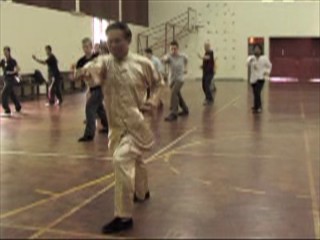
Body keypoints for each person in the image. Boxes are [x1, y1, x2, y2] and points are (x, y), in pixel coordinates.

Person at [79, 22, 162, 234]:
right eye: (110, 41)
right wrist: (84, 72)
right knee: (137, 158)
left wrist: (154, 100)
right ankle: (142, 192)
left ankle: (123, 217)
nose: (114, 45)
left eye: (118, 40)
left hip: (137, 122)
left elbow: (158, 83)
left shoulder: (143, 63)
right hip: (116, 125)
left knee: (122, 159)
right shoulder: (105, 62)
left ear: (128, 40)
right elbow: (93, 69)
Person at [73, 38, 109, 142]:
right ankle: (109, 127)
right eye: (84, 47)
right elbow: (77, 76)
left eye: (88, 46)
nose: (86, 49)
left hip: (100, 86)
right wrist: (81, 74)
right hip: (91, 87)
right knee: (99, 109)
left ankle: (89, 134)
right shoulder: (81, 61)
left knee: (90, 107)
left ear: (91, 46)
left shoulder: (97, 57)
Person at [162, 41, 189, 122]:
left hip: (180, 79)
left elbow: (186, 61)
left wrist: (186, 69)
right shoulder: (169, 56)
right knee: (178, 95)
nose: (173, 50)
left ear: (178, 48)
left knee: (174, 93)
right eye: (172, 49)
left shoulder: (183, 56)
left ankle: (174, 113)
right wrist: (164, 59)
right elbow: (164, 60)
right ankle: (185, 109)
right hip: (172, 80)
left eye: (175, 49)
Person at [247, 44, 272, 114]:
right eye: (255, 49)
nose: (256, 50)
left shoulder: (264, 58)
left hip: (261, 78)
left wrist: (267, 72)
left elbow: (269, 65)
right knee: (255, 93)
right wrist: (250, 61)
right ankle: (255, 106)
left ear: (261, 50)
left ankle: (259, 107)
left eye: (258, 49)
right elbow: (247, 64)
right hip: (253, 78)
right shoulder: (251, 58)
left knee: (258, 92)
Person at [0, 46, 22, 116]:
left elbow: (18, 68)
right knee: (12, 94)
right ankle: (18, 107)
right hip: (5, 79)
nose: (5, 53)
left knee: (3, 94)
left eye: (6, 51)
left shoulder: (12, 61)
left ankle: (7, 110)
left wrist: (12, 72)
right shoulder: (3, 61)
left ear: (9, 52)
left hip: (11, 79)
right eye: (4, 51)